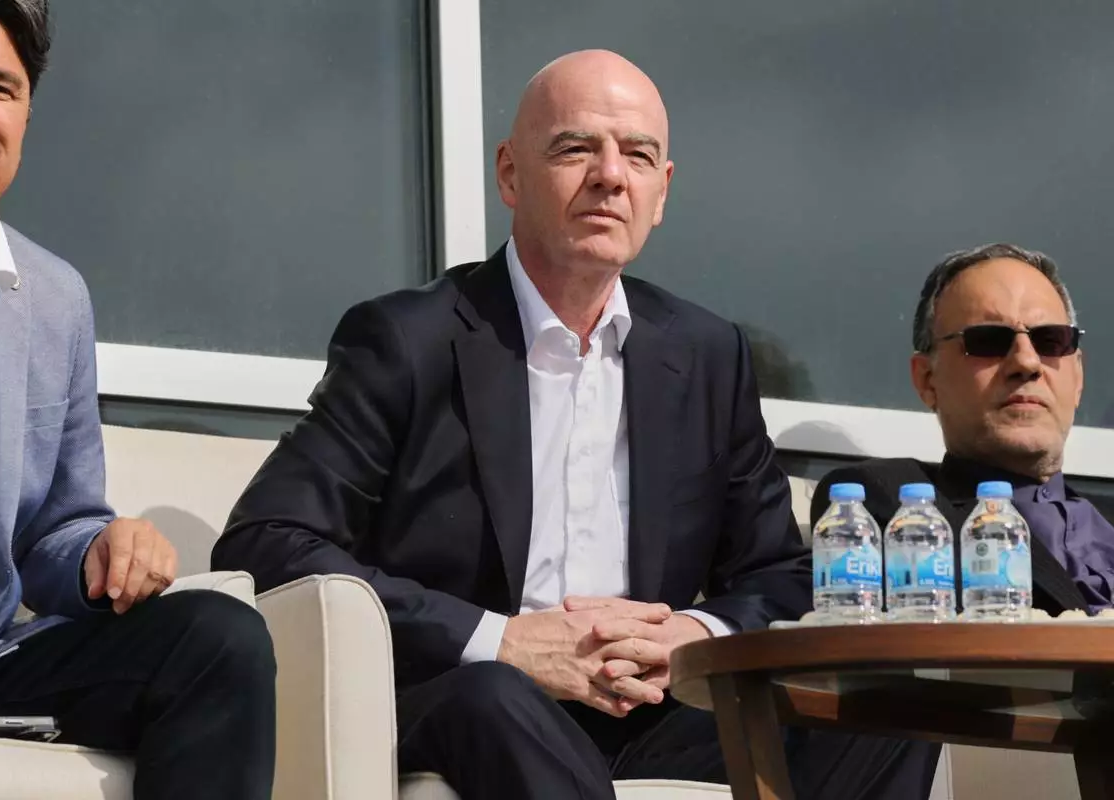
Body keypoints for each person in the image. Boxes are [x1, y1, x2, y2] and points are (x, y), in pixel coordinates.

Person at [215, 49, 938, 799]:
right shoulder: (409, 341)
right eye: (574, 148)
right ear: (510, 174)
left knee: (889, 700)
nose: (610, 176)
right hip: (474, 698)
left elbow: (778, 573)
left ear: (661, 191)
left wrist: (691, 635)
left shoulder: (707, 354)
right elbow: (269, 539)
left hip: (656, 710)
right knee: (495, 697)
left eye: (638, 155)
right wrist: (504, 640)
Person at [0, 2, 276, 797]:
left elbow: (56, 527)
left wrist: (99, 553)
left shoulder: (54, 299)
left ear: (27, 113)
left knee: (218, 639)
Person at [811, 243, 1109, 617]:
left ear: (1077, 377)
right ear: (927, 380)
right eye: (988, 340)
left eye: (1050, 340)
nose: (1027, 361)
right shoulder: (895, 509)